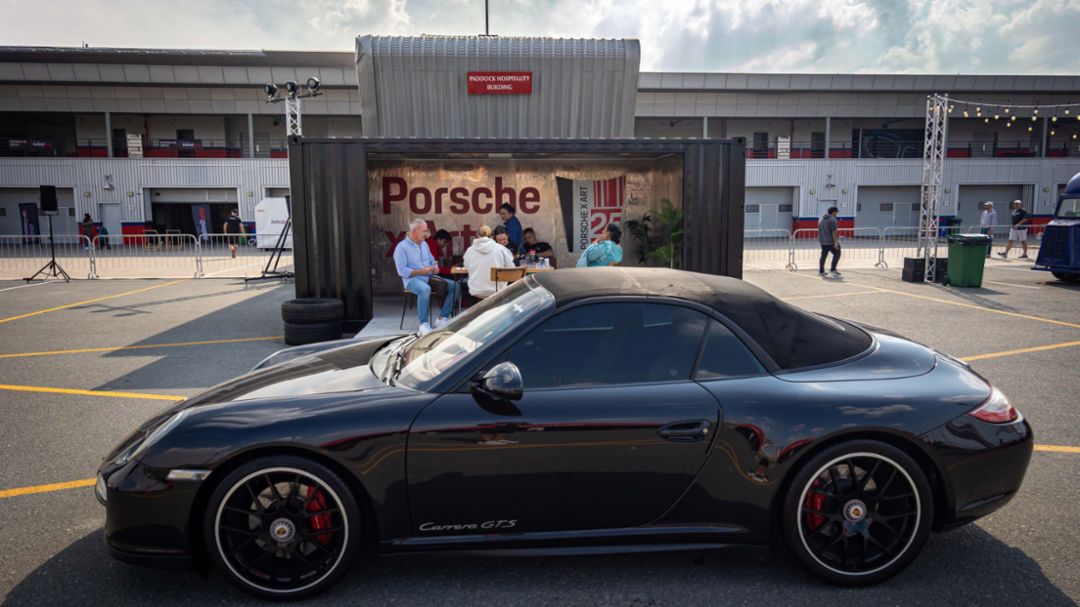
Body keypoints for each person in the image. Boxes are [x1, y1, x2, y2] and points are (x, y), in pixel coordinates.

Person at [394, 218, 459, 334]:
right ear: (414, 231)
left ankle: (442, 318)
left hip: (428, 277)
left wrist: (435, 268)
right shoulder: (401, 247)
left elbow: (431, 261)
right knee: (425, 289)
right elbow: (401, 271)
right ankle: (423, 324)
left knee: (455, 286)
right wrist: (421, 271)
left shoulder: (424, 245)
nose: (427, 234)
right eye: (424, 231)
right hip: (412, 280)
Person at [463, 225, 515, 299]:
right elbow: (511, 269)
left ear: (477, 235)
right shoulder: (501, 249)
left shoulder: (469, 250)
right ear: (491, 236)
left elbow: (467, 267)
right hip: (497, 292)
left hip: (476, 292)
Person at [818, 206, 841, 276]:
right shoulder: (833, 220)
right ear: (834, 212)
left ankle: (821, 271)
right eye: (836, 212)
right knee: (837, 253)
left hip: (822, 240)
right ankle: (833, 269)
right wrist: (836, 242)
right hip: (830, 241)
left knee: (824, 255)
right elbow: (834, 232)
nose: (836, 214)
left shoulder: (822, 219)